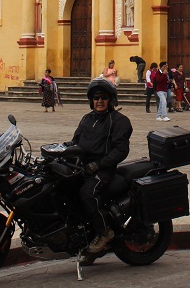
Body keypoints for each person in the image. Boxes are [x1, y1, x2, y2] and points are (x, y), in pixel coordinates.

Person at [69, 79, 132, 254]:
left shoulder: (119, 121)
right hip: (83, 167)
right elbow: (75, 141)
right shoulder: (87, 119)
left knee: (87, 193)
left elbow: (121, 150)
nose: (100, 101)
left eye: (104, 98)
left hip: (104, 169)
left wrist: (99, 164)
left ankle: (104, 231)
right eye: (96, 98)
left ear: (111, 100)